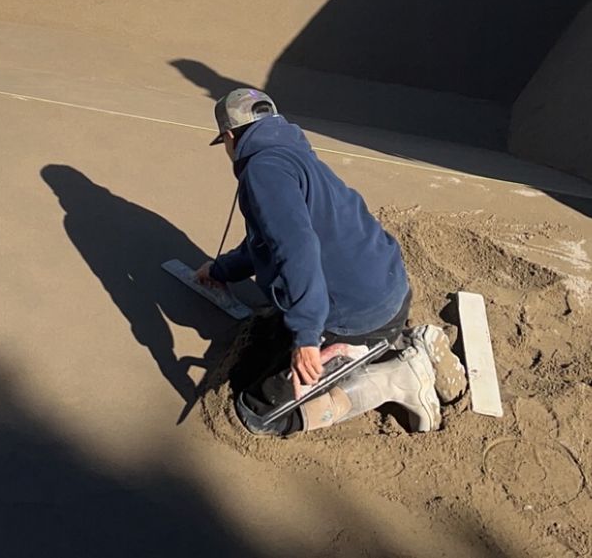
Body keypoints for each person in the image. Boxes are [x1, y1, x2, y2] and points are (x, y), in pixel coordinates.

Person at [192, 88, 461, 436]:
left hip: (360, 314)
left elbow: (297, 248)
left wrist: (306, 337)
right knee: (278, 332)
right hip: (385, 286)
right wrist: (222, 270)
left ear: (229, 136)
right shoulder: (290, 151)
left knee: (259, 414)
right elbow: (271, 238)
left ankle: (396, 376)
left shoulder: (264, 171)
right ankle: (391, 342)